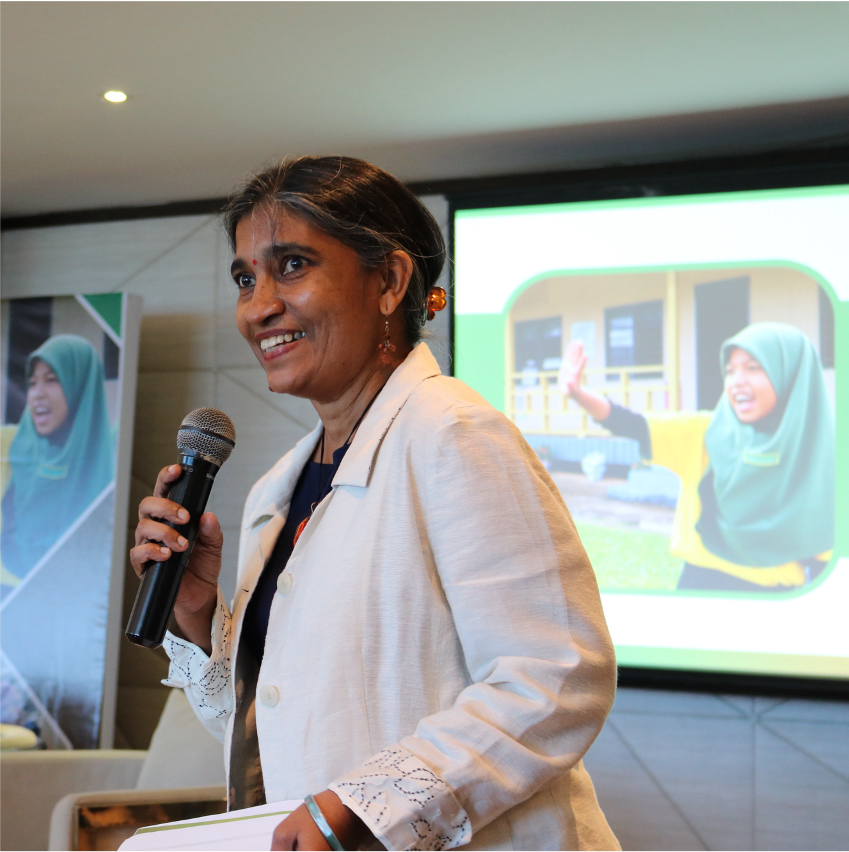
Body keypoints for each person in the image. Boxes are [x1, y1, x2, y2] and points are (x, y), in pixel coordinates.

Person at [133, 157, 619, 851]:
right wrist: (196, 612)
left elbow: (556, 677)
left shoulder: (452, 434)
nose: (258, 306)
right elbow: (278, 727)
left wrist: (365, 807)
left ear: (388, 281)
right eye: (245, 278)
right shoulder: (278, 486)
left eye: (292, 266)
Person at [561, 322, 834, 592]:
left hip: (775, 601)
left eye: (753, 368)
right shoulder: (706, 432)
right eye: (730, 371)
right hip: (699, 589)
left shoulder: (822, 457)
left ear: (791, 374)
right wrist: (578, 393)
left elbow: (826, 556)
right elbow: (632, 424)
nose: (737, 381)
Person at [0, 335, 114, 587]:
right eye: (32, 383)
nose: (37, 394)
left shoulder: (109, 462)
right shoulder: (13, 448)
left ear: (80, 386)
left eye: (51, 380)